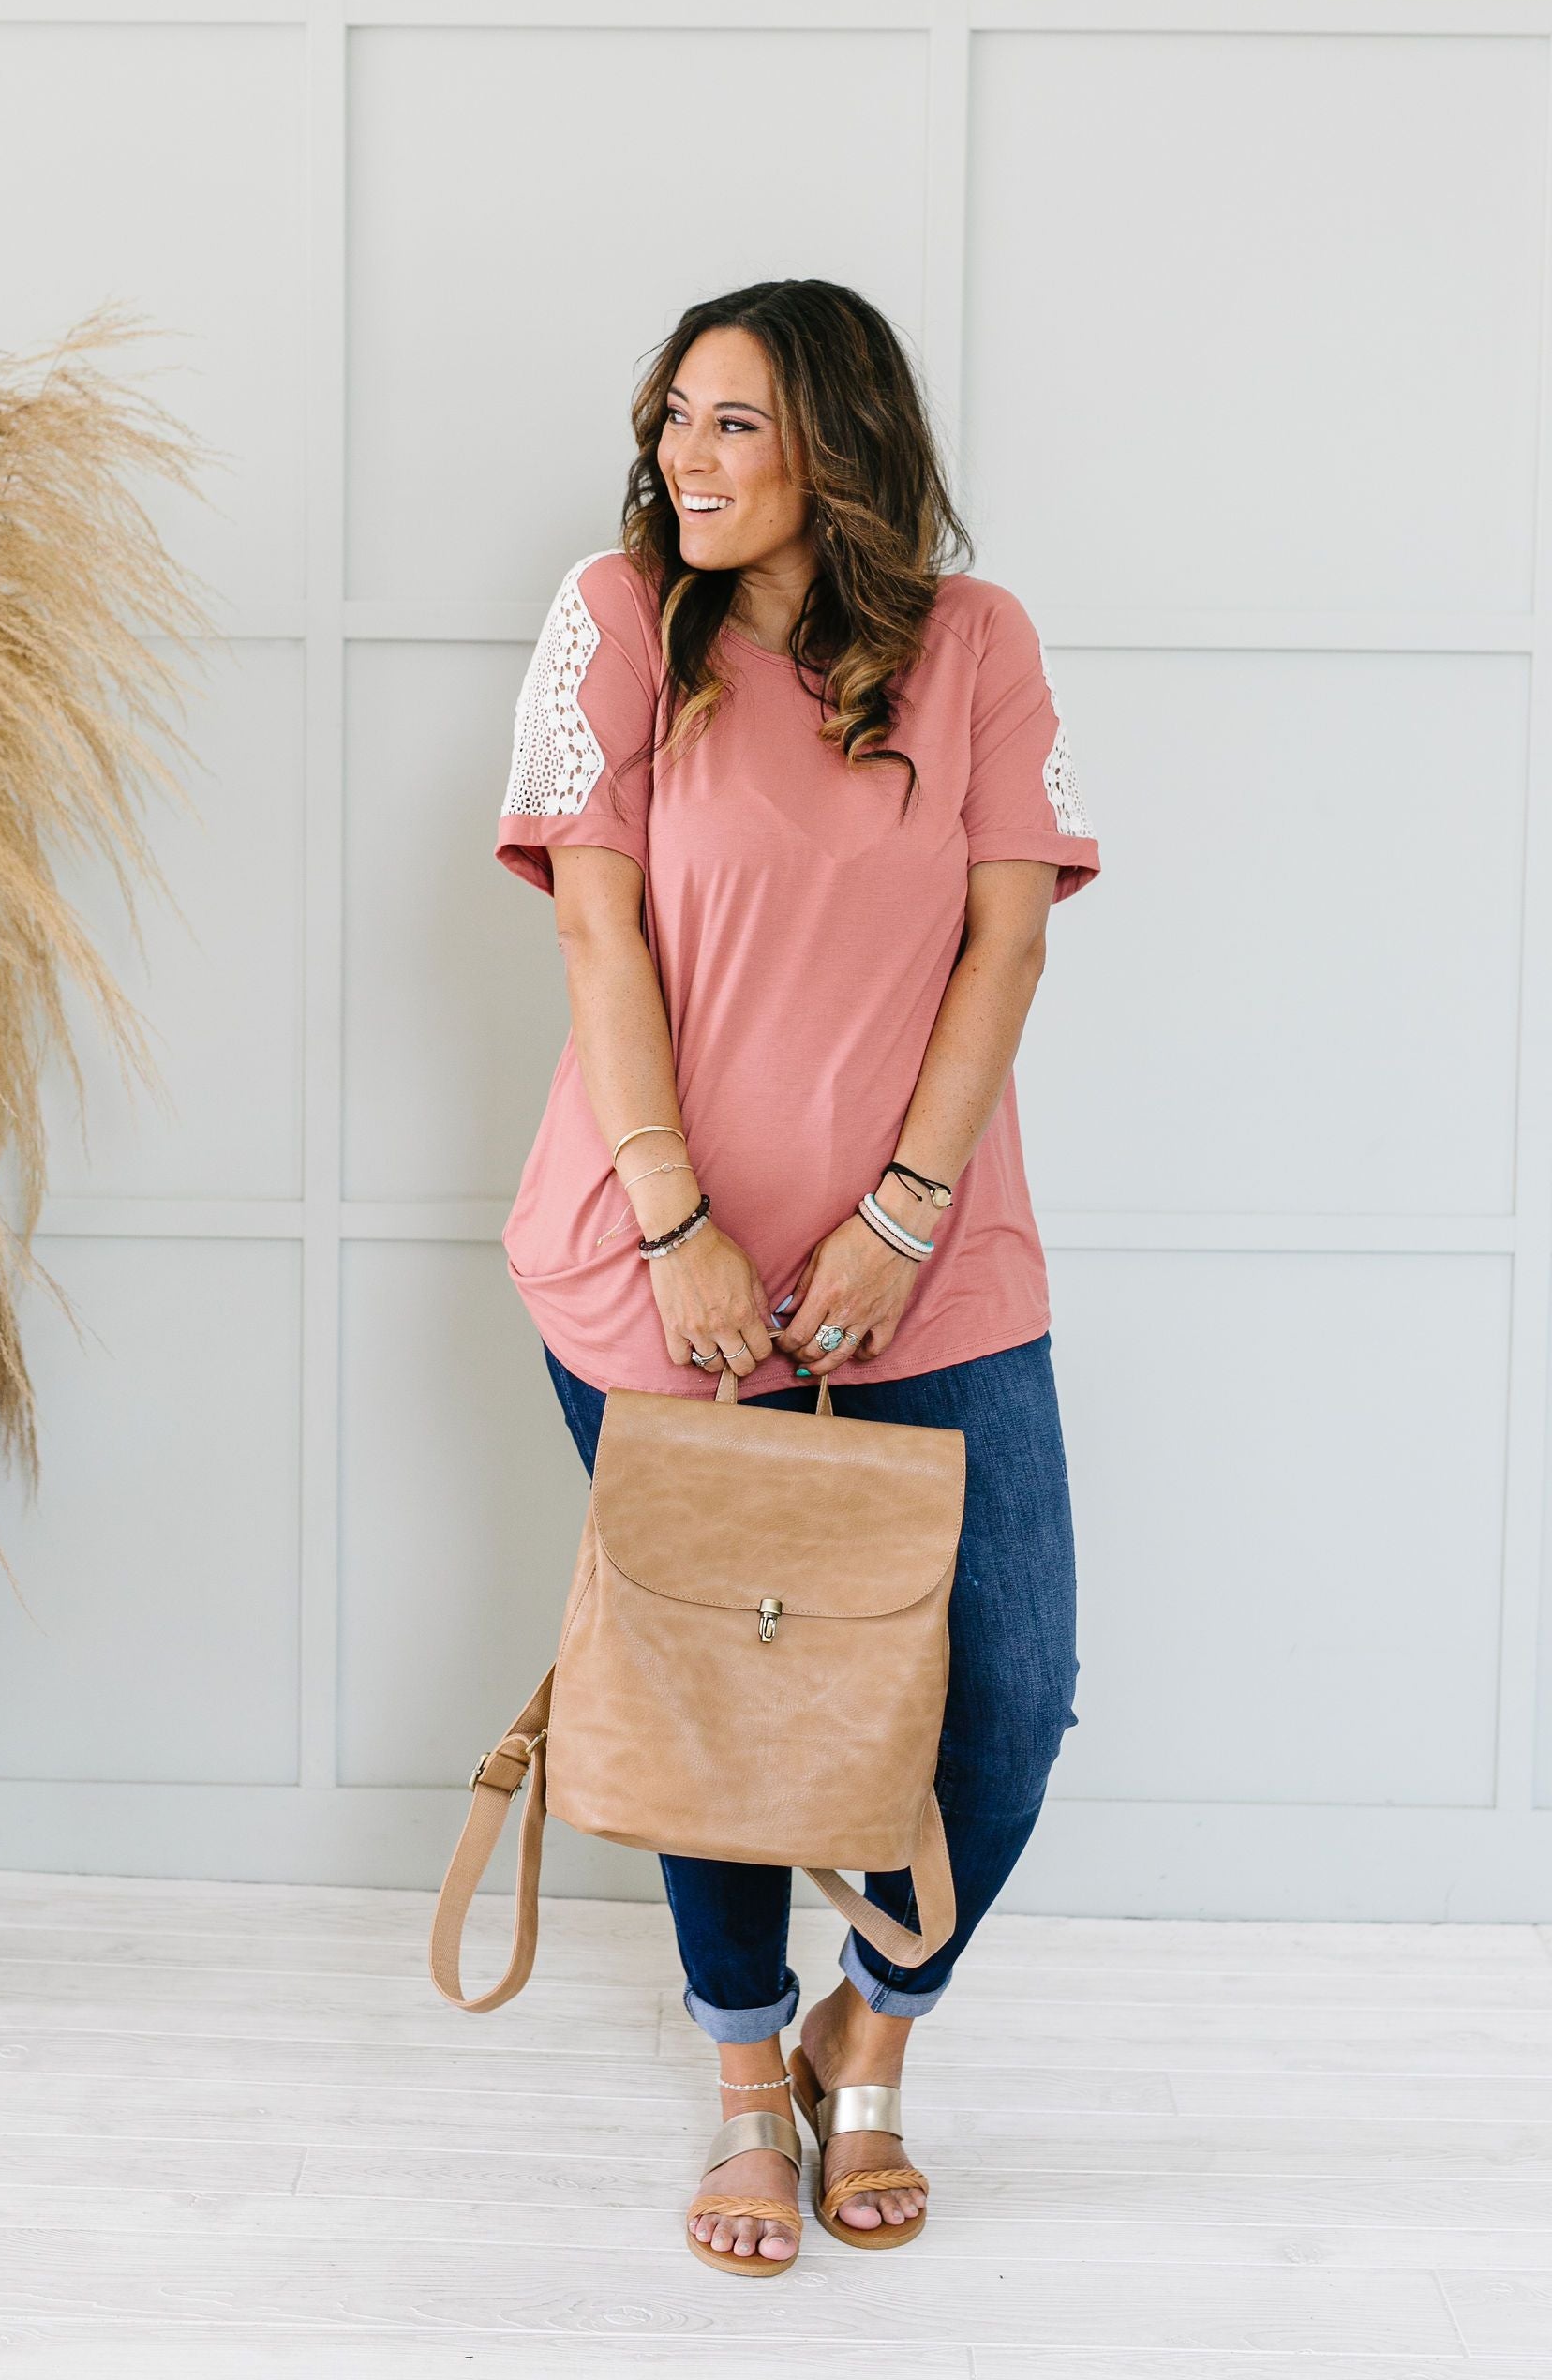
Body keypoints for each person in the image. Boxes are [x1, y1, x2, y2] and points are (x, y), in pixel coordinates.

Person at [494, 279, 1098, 2273]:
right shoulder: (608, 620)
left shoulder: (979, 648)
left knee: (1012, 1691)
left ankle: (877, 2021)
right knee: (719, 1691)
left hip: (938, 1274)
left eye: (734, 422)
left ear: (837, 441)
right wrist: (677, 1229)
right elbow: (598, 939)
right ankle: (755, 2081)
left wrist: (902, 1212)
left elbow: (1004, 945)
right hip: (652, 1275)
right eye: (672, 416)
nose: (683, 453)